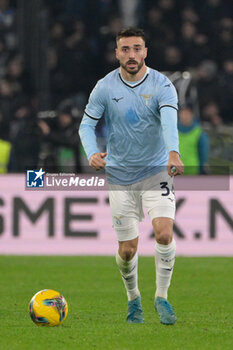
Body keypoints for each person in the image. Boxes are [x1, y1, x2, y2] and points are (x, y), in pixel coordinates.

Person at [79, 27, 183, 325]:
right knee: (127, 251)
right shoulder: (105, 87)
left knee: (164, 232)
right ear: (117, 53)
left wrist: (173, 152)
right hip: (121, 177)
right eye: (125, 49)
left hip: (155, 171)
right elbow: (86, 125)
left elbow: (169, 121)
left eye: (137, 48)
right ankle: (133, 297)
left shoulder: (163, 85)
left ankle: (161, 296)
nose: (132, 55)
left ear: (146, 52)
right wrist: (92, 152)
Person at [178, 101, 209, 174]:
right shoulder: (172, 131)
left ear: (192, 115)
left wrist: (201, 171)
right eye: (182, 113)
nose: (184, 116)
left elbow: (203, 155)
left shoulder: (200, 134)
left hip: (192, 172)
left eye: (187, 113)